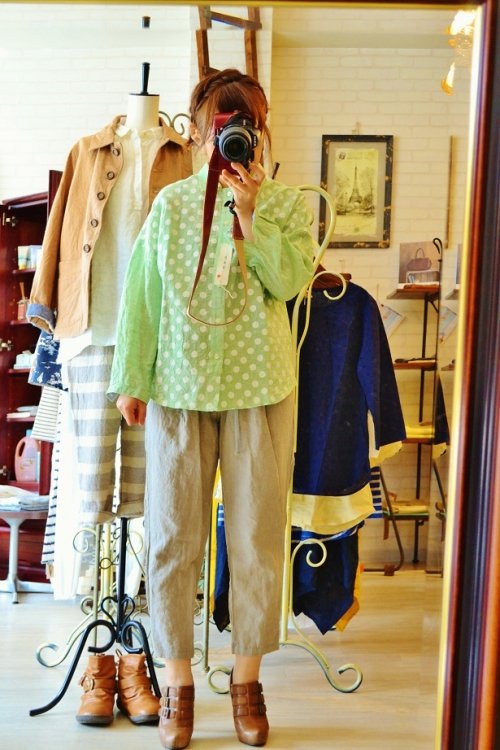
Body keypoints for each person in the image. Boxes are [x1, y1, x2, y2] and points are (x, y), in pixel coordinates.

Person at [108, 68, 316, 749]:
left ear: (260, 132)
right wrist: (131, 381)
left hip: (261, 388)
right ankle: (177, 685)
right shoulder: (170, 208)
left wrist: (250, 217)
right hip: (179, 386)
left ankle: (247, 683)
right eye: (220, 127)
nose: (231, 138)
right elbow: (141, 298)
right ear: (199, 135)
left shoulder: (284, 206)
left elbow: (290, 280)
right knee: (172, 536)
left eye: (244, 125)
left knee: (256, 537)